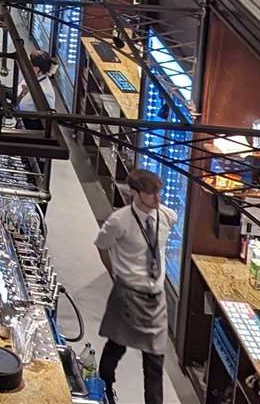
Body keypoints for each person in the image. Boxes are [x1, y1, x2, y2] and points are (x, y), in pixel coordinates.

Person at [96, 169, 177, 404]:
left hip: (156, 297)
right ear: (135, 193)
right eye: (150, 194)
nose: (156, 198)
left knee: (154, 361)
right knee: (117, 345)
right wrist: (115, 273)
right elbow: (102, 246)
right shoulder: (119, 221)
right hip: (128, 294)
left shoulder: (167, 216)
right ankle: (104, 385)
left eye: (158, 193)